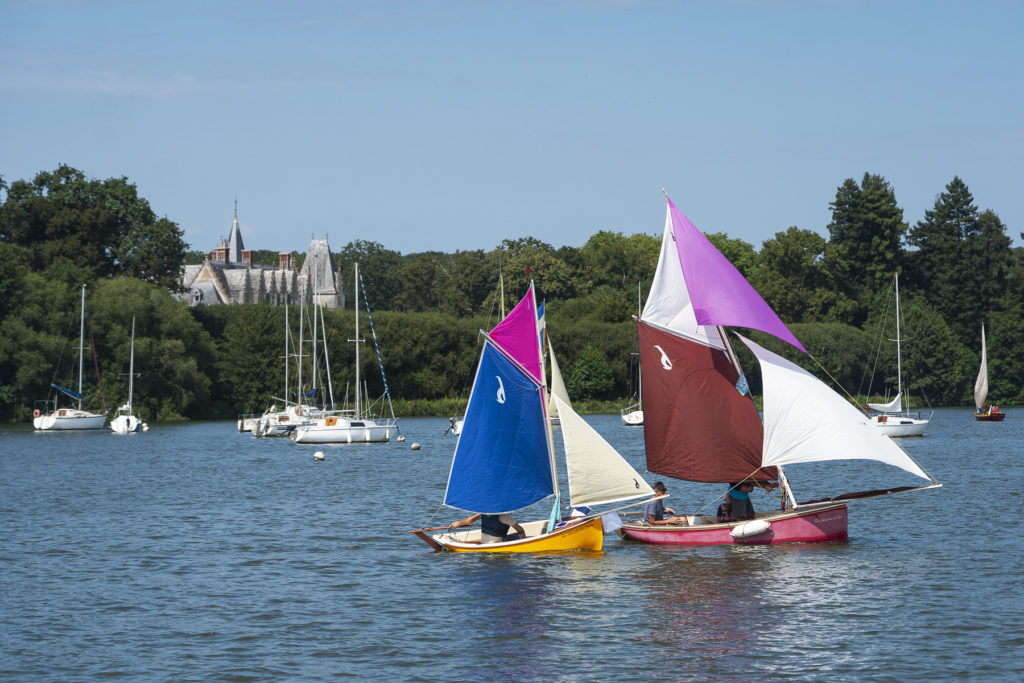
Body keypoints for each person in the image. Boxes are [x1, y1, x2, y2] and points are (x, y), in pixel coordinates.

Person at [450, 512, 526, 543]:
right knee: (519, 534)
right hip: (498, 543)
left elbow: (469, 521)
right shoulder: (505, 515)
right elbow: (520, 530)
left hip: (484, 541)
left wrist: (458, 523)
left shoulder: (483, 511)